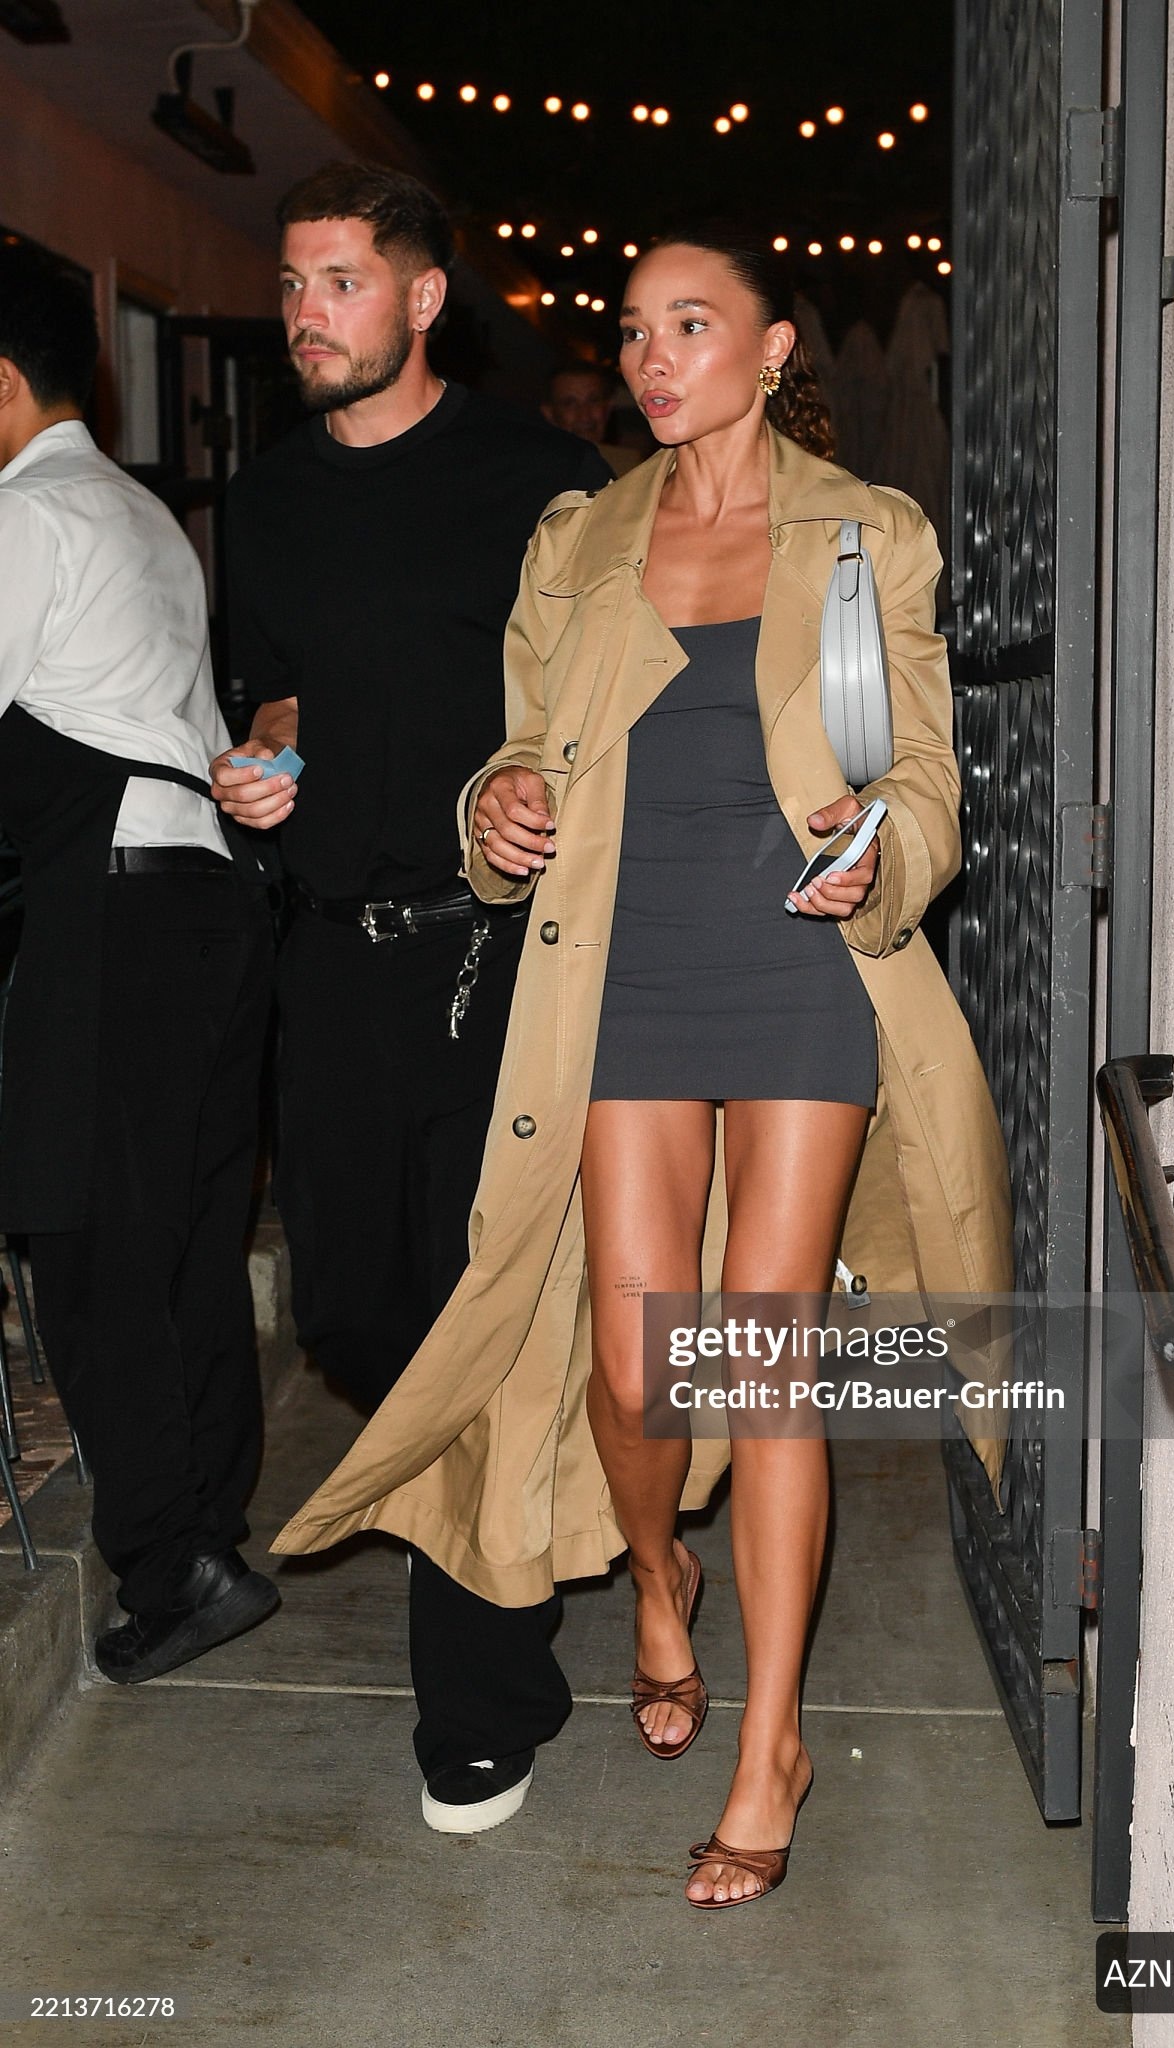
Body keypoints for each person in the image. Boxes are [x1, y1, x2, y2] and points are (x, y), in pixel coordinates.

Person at [272, 225, 1014, 1906]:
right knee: (632, 1373)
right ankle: (660, 1575)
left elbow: (921, 780)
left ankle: (773, 1747)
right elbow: (516, 752)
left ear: (770, 348)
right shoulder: (580, 538)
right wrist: (495, 809)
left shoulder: (862, 535)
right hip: (621, 970)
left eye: (693, 323)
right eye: (635, 328)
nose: (655, 355)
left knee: (758, 1358)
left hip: (800, 964)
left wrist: (880, 847)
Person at [214, 163, 610, 1833]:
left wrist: (538, 792)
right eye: (292, 286)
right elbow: (283, 686)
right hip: (327, 958)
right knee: (352, 1316)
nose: (304, 315)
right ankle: (518, 1532)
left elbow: (606, 699)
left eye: (339, 284)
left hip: (491, 957)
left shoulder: (540, 483)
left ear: (423, 298)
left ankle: (478, 1694)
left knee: (474, 1318)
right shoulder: (267, 499)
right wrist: (266, 760)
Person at [0, 246, 277, 1680]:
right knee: (184, 1244)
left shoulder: (25, 514)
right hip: (207, 901)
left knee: (87, 1244)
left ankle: (174, 1565)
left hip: (112, 905)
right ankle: (207, 1530)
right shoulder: (144, 513)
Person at [541, 361, 641, 475]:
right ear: (549, 413)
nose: (584, 416)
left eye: (594, 401)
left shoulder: (631, 466)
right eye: (570, 404)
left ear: (608, 407)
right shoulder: (537, 469)